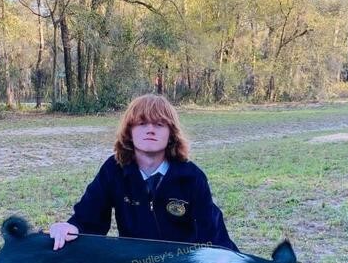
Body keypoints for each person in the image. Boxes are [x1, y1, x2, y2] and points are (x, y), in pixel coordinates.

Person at [49, 94, 238, 252]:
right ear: (129, 131)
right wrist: (70, 227)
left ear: (171, 134)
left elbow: (214, 236)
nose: (150, 130)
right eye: (141, 123)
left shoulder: (191, 177)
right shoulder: (114, 170)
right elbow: (89, 220)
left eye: (159, 124)